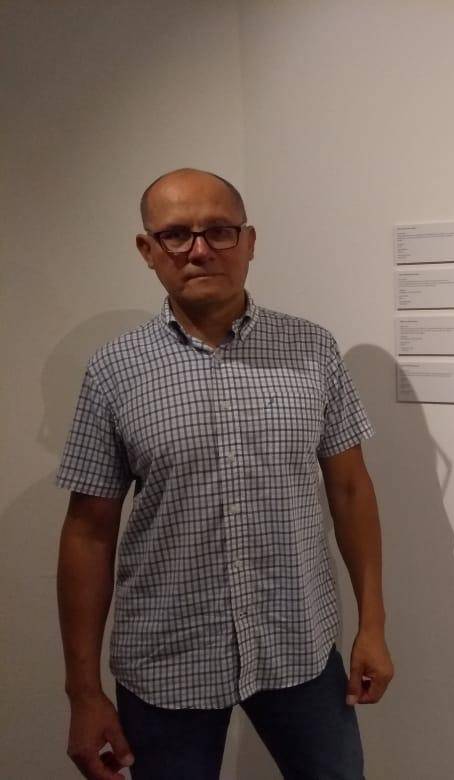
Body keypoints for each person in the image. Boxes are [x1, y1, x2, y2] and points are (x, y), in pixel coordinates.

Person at [55, 168, 392, 780]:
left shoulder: (313, 350)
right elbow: (88, 533)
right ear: (147, 250)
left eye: (219, 230)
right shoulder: (113, 372)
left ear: (250, 241)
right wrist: (83, 693)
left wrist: (373, 624)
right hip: (166, 664)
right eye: (176, 235)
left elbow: (350, 489)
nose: (200, 249)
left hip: (299, 647)